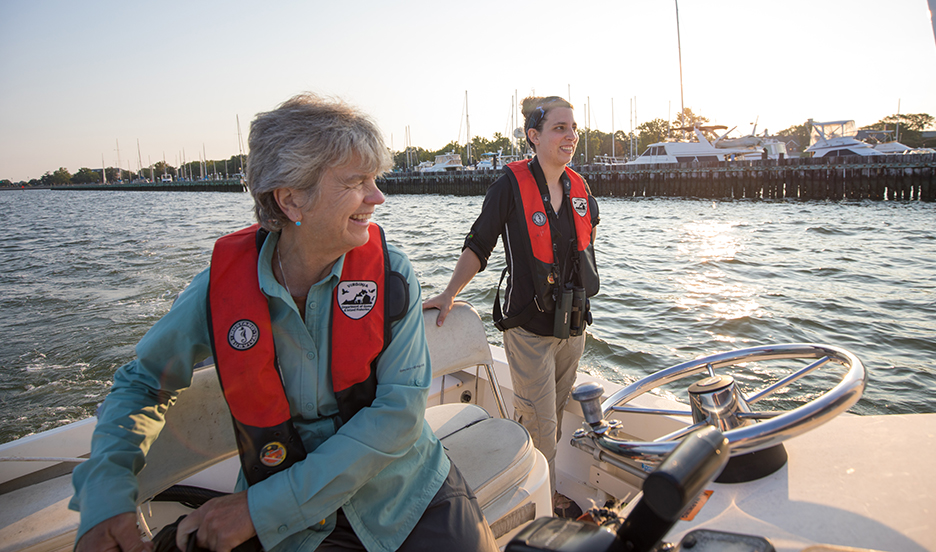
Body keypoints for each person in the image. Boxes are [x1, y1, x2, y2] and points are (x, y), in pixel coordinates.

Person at [70, 93, 497, 552]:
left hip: (406, 493)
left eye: (374, 179)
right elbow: (143, 383)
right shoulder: (217, 292)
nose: (378, 197)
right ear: (291, 199)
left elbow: (399, 413)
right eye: (356, 182)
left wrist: (259, 510)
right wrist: (107, 495)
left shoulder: (391, 275)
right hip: (289, 528)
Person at [422, 96, 599, 516]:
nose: (570, 135)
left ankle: (539, 489)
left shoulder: (580, 187)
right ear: (533, 136)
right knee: (540, 425)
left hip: (572, 329)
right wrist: (449, 292)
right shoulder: (508, 186)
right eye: (559, 128)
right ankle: (546, 510)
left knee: (551, 417)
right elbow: (479, 245)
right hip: (529, 331)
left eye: (573, 127)